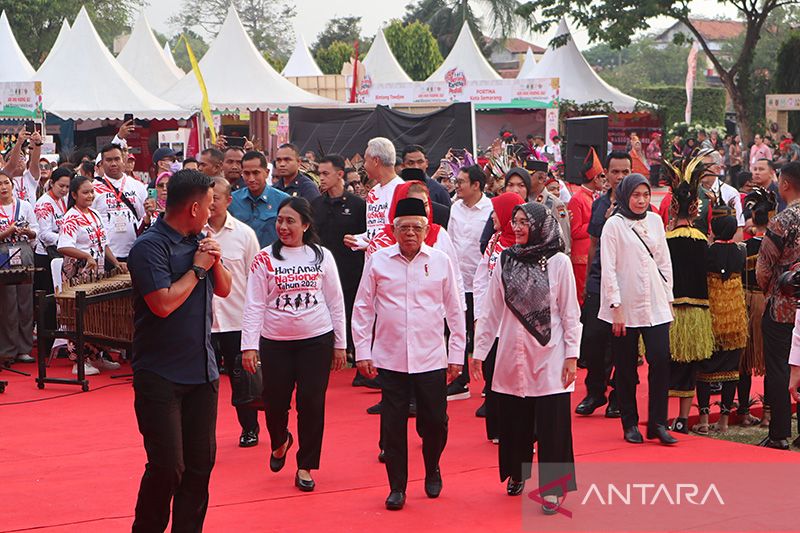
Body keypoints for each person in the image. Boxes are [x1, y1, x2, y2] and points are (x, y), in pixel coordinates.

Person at [127, 170, 232, 532]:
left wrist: (213, 259)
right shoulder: (148, 247)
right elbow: (163, 304)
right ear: (192, 207)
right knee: (167, 466)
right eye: (208, 204)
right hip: (159, 375)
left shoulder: (200, 241)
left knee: (200, 466)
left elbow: (225, 290)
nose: (212, 210)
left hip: (202, 372)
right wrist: (198, 270)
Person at [352, 197, 466, 511]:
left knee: (435, 422)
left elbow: (455, 311)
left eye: (417, 227)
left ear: (427, 230)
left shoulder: (441, 260)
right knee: (392, 425)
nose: (411, 233)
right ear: (393, 230)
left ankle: (432, 467)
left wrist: (457, 354)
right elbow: (362, 309)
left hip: (431, 358)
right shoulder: (378, 261)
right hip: (389, 359)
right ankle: (397, 487)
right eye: (404, 228)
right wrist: (362, 351)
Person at [471, 202, 578, 510]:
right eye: (514, 221)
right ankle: (517, 473)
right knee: (514, 422)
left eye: (523, 222)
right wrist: (479, 352)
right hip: (512, 354)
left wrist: (572, 355)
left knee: (553, 426)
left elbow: (570, 313)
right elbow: (490, 311)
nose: (516, 227)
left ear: (540, 226)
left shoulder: (559, 262)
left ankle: (553, 489)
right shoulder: (505, 259)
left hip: (551, 356)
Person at [241, 196, 346, 492]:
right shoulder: (264, 258)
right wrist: (249, 345)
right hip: (275, 342)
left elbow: (335, 301)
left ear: (306, 225)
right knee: (274, 402)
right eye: (279, 220)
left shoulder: (321, 255)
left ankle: (306, 465)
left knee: (311, 403)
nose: (283, 227)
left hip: (317, 340)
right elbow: (254, 304)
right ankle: (280, 439)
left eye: (290, 221)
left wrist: (340, 343)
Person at [600, 173, 676, 445]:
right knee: (625, 367)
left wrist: (668, 300)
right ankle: (629, 422)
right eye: (636, 195)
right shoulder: (614, 225)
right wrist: (615, 307)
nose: (641, 200)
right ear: (625, 195)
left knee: (660, 360)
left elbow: (664, 263)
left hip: (655, 303)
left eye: (645, 195)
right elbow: (608, 269)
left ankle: (658, 422)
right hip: (625, 306)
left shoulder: (656, 221)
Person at [204, 176, 261, 448]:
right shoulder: (192, 233)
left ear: (229, 200)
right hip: (202, 321)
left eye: (217, 197)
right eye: (208, 197)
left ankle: (249, 428)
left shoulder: (244, 234)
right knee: (204, 383)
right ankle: (202, 432)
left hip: (236, 318)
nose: (211, 203)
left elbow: (257, 280)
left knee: (242, 380)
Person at [574, 151, 632, 417]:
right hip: (599, 280)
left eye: (625, 172)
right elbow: (594, 244)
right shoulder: (598, 204)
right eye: (615, 172)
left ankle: (619, 397)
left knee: (624, 343)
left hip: (628, 282)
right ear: (605, 174)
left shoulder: (640, 207)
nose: (620, 177)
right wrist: (588, 283)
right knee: (594, 341)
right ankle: (595, 392)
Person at [661, 156, 715, 434]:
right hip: (697, 314)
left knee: (667, 362)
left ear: (672, 207)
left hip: (669, 312)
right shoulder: (701, 241)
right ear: (695, 208)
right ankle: (682, 418)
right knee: (690, 365)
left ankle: (664, 417)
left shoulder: (665, 240)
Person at [57, 176, 126, 375]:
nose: (90, 196)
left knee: (97, 314)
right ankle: (78, 360)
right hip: (78, 274)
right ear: (74, 195)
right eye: (85, 192)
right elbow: (63, 246)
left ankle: (97, 356)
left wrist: (115, 263)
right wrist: (85, 255)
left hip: (98, 272)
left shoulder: (95, 213)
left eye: (91, 192)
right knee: (77, 314)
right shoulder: (71, 217)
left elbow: (103, 244)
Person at [472, 192, 526, 436]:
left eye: (496, 211)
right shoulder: (494, 241)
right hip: (492, 320)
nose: (492, 216)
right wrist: (480, 313)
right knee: (492, 372)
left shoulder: (524, 243)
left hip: (516, 322)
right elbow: (481, 277)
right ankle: (495, 427)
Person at [310, 155, 367, 384]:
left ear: (340, 175)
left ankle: (354, 352)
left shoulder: (358, 205)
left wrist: (358, 242)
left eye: (325, 174)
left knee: (352, 312)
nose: (321, 178)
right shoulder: (314, 205)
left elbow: (368, 238)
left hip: (351, 271)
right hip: (320, 273)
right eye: (319, 174)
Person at [755, 161, 800, 449]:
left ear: (784, 184)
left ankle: (779, 433)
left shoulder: (783, 220)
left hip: (782, 306)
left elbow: (763, 267)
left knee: (780, 368)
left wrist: (769, 289)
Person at [693, 215, 747, 434]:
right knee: (731, 371)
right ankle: (724, 421)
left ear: (713, 230)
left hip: (711, 319)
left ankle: (704, 420)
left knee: (704, 371)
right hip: (735, 319)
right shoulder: (740, 251)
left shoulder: (706, 252)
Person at [447, 165, 494, 400]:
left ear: (476, 185)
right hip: (458, 280)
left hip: (483, 282)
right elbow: (451, 242)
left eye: (462, 181)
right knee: (459, 329)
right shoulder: (455, 208)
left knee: (484, 331)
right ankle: (460, 379)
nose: (457, 185)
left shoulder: (490, 208)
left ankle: (490, 381)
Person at [738, 187, 776, 428]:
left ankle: (742, 411)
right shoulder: (776, 246)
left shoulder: (743, 247)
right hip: (766, 304)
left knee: (743, 362)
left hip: (743, 303)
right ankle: (768, 414)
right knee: (771, 361)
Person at [0, 171, 39, 365]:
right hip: (2, 252)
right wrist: (6, 232)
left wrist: (28, 232)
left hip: (23, 251)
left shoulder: (24, 206)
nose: (3, 187)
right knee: (7, 303)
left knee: (25, 302)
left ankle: (24, 348)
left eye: (6, 183)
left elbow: (36, 231)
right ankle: (8, 349)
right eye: (0, 184)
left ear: (12, 185)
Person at [92, 144, 154, 261]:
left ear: (123, 160)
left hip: (135, 251)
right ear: (102, 163)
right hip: (107, 255)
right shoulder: (93, 189)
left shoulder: (138, 186)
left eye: (117, 159)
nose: (113, 163)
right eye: (109, 160)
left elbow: (144, 217)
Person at [344, 137, 404, 250]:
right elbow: (374, 230)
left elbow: (403, 234)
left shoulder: (402, 190)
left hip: (392, 263)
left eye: (366, 161)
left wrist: (371, 246)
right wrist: (357, 239)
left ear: (376, 161)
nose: (364, 166)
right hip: (373, 263)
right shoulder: (373, 192)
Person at [228, 151, 290, 248]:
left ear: (266, 173)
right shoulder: (232, 200)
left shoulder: (283, 200)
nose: (251, 178)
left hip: (273, 258)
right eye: (246, 173)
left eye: (256, 173)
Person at [568, 148, 605, 306]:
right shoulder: (577, 199)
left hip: (592, 253)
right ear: (595, 178)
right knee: (582, 297)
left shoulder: (594, 197)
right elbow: (575, 230)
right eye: (602, 176)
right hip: (581, 258)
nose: (604, 180)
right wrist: (597, 225)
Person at [524, 158, 571, 255]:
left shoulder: (557, 205)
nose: (524, 180)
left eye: (528, 176)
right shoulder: (522, 199)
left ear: (541, 178)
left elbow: (564, 238)